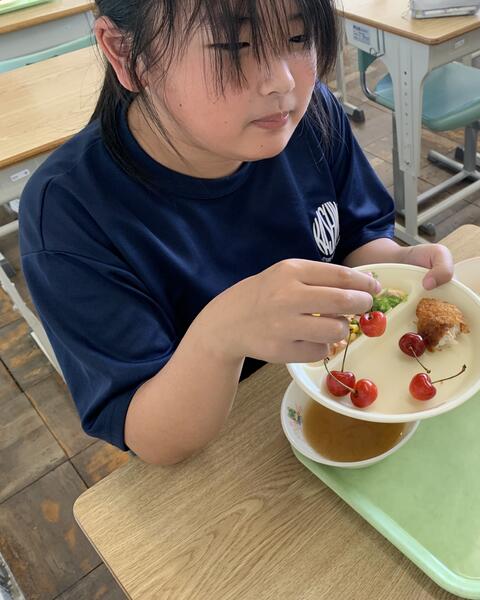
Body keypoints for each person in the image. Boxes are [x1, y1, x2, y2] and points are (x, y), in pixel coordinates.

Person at [19, 0, 453, 465]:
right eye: (233, 45)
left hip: (336, 399)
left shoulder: (311, 118)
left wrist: (396, 264)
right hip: (219, 455)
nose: (282, 81)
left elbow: (356, 241)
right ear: (127, 54)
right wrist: (220, 336)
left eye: (297, 37)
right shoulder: (69, 212)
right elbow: (152, 436)